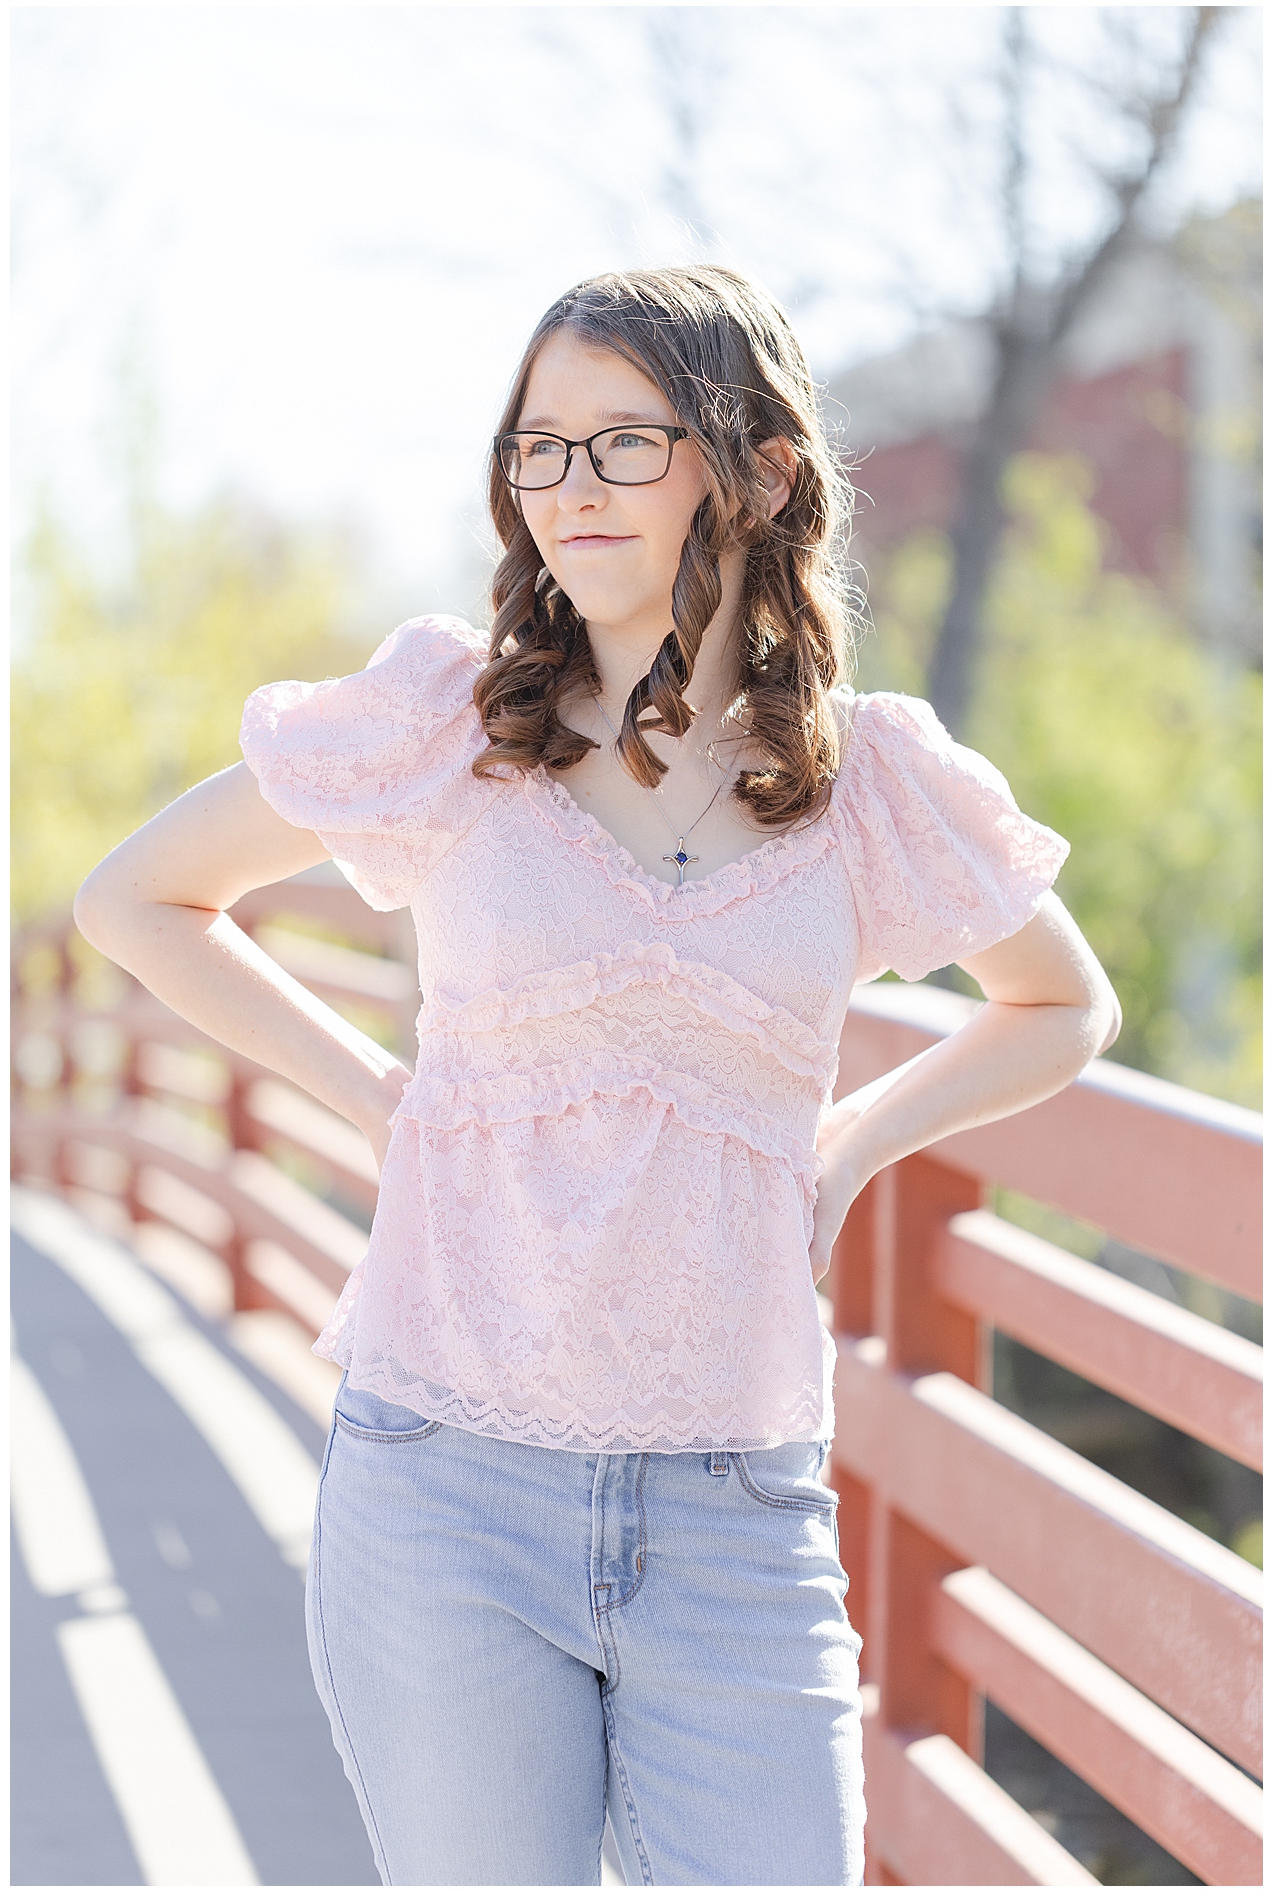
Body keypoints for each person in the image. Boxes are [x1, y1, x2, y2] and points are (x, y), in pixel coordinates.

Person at [74, 264, 1121, 1888]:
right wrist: (380, 1101)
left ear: (754, 468)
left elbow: (1062, 1004)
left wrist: (846, 1149)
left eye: (621, 443)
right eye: (536, 447)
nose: (566, 487)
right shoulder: (450, 727)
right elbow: (133, 900)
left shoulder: (870, 787)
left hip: (734, 1503)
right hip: (444, 1486)